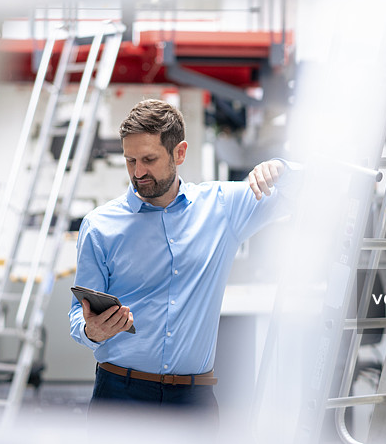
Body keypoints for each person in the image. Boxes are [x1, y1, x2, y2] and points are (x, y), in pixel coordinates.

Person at [68, 98, 301, 425]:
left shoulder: (223, 207)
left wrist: (283, 169)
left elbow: (318, 191)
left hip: (194, 402)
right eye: (130, 160)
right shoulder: (99, 226)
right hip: (120, 396)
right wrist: (90, 330)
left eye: (149, 159)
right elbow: (78, 314)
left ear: (179, 153)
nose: (138, 172)